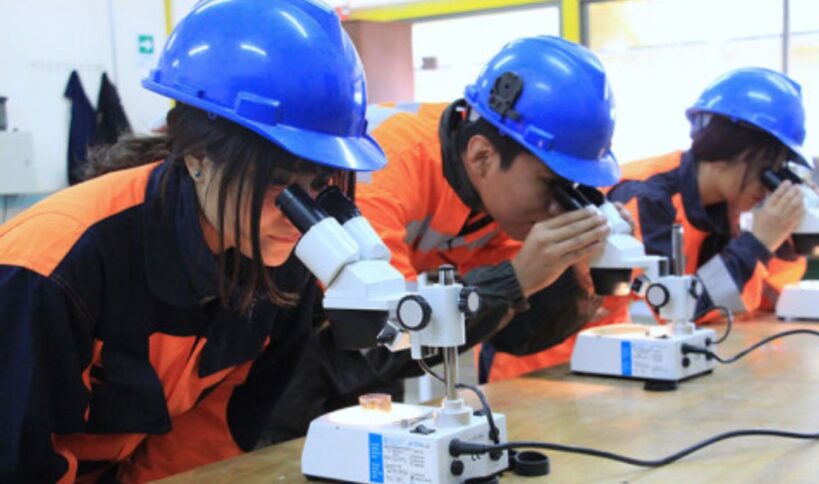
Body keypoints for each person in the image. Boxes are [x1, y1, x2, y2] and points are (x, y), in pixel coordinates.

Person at [0, 1, 386, 482]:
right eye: (278, 183)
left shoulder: (284, 259)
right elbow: (18, 456)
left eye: (320, 184)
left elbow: (211, 432)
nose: (301, 216)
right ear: (198, 156)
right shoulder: (55, 269)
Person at [262, 36, 626, 443]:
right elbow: (379, 340)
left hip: (361, 374)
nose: (559, 206)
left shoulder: (502, 201)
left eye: (574, 189)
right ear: (482, 156)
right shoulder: (385, 168)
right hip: (284, 351)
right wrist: (517, 278)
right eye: (552, 184)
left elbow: (511, 335)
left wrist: (578, 270)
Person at [606, 67, 808, 319]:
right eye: (766, 168)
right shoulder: (648, 196)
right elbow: (674, 311)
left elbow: (771, 300)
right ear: (724, 149)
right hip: (588, 340)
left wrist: (784, 236)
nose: (768, 185)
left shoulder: (727, 204)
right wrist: (757, 243)